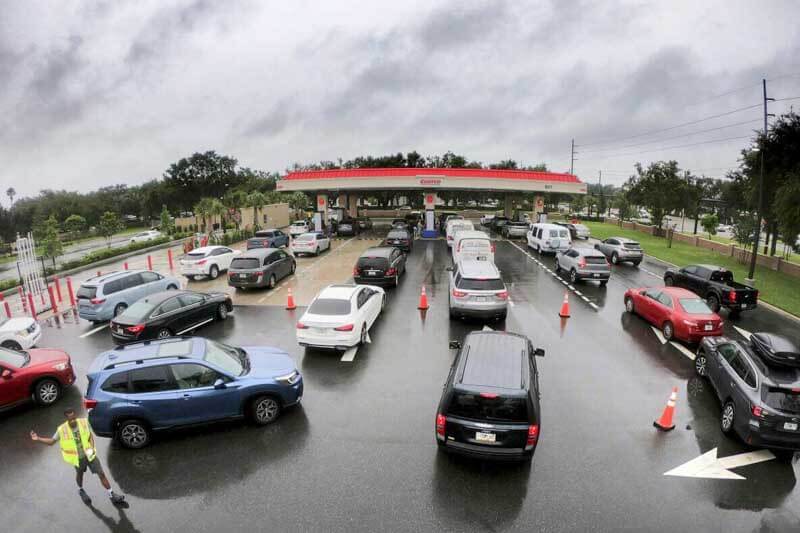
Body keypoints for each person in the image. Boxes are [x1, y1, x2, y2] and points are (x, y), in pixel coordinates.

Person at [30, 408, 127, 507]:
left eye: (74, 418)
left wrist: (92, 447)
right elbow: (51, 442)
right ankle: (80, 489)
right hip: (77, 459)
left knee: (101, 473)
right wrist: (38, 439)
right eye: (70, 419)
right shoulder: (62, 429)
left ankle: (112, 494)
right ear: (66, 419)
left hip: (89, 455)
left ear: (75, 416)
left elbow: (89, 436)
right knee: (80, 474)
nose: (73, 421)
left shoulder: (83, 422)